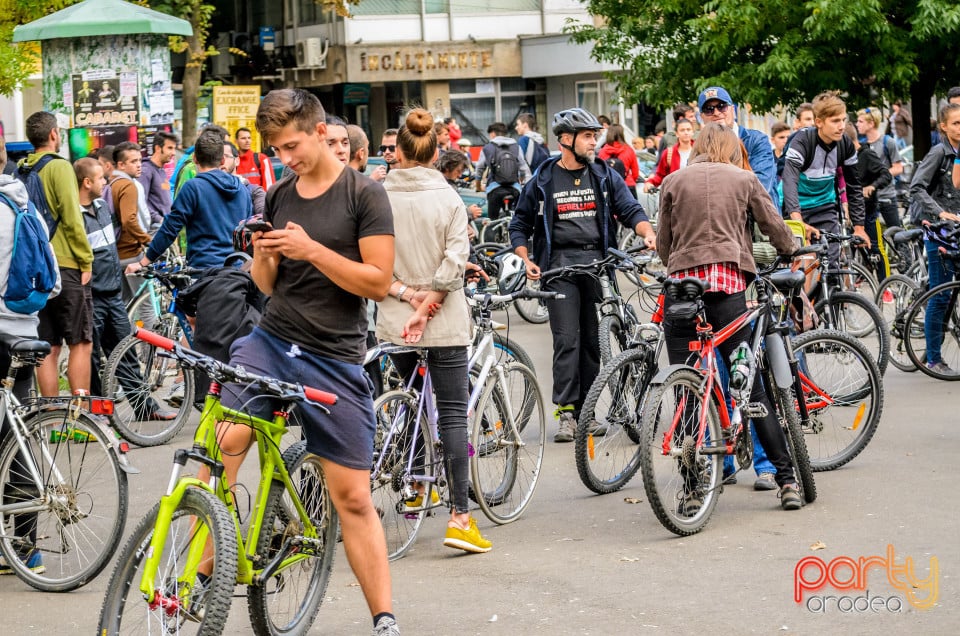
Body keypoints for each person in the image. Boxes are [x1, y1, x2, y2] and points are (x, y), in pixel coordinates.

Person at [208, 88, 398, 636]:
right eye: (276, 148)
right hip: (271, 340)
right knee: (221, 445)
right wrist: (262, 260)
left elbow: (379, 283)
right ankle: (204, 565)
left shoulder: (365, 196)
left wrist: (312, 248)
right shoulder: (279, 193)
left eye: (291, 145)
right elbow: (266, 285)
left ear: (320, 131)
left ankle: (384, 619)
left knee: (353, 498)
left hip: (334, 357)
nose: (284, 157)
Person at [656, 122, 804, 511]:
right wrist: (789, 250)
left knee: (687, 389)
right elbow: (773, 225)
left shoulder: (673, 180)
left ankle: (691, 490)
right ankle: (786, 479)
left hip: (681, 293)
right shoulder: (743, 179)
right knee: (752, 387)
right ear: (730, 148)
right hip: (727, 291)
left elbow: (663, 244)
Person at [378, 108, 491, 553]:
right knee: (452, 413)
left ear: (399, 151)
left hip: (394, 317)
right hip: (443, 320)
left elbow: (374, 264)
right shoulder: (449, 199)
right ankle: (460, 518)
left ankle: (413, 486)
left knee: (406, 403)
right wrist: (430, 304)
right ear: (434, 153)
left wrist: (408, 298)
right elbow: (453, 264)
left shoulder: (377, 197)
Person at [509, 107, 656, 443]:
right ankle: (566, 413)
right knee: (566, 341)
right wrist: (526, 258)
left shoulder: (603, 174)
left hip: (598, 266)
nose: (594, 143)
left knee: (592, 343)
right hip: (559, 268)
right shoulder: (543, 179)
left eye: (594, 136)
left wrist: (646, 232)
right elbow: (520, 225)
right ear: (565, 140)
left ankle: (586, 412)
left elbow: (630, 208)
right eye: (588, 136)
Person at [75, 157, 174, 420]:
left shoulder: (101, 207)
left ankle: (144, 408)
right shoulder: (75, 216)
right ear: (87, 182)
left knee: (125, 350)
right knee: (93, 358)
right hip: (91, 296)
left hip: (113, 292)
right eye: (100, 179)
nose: (105, 182)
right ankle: (97, 414)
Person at [0, 172, 60, 574]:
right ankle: (25, 549)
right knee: (16, 439)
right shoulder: (25, 205)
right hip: (26, 333)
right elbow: (52, 283)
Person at [19, 111, 94, 396]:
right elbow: (73, 218)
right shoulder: (60, 167)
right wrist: (86, 260)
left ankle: (49, 415)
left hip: (36, 268)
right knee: (81, 342)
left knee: (48, 345)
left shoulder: (22, 168)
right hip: (65, 264)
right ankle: (78, 417)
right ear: (53, 134)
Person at [127, 129, 252, 272]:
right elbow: (247, 231)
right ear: (222, 160)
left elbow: (170, 228)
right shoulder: (242, 189)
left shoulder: (193, 188)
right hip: (236, 271)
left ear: (195, 159)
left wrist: (144, 262)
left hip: (203, 270)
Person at [781, 92, 870, 261]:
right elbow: (789, 182)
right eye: (835, 121)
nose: (842, 126)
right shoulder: (802, 142)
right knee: (803, 264)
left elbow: (854, 186)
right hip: (797, 207)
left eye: (844, 120)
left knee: (832, 262)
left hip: (825, 206)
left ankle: (833, 287)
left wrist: (859, 227)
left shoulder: (845, 144)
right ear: (819, 122)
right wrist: (798, 223)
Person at [913, 103, 960, 375]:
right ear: (943, 126)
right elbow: (916, 187)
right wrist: (939, 212)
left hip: (958, 229)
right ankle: (933, 358)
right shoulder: (938, 153)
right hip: (940, 231)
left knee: (951, 292)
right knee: (940, 295)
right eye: (955, 123)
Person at [698, 86, 780, 207]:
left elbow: (760, 188)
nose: (716, 113)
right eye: (708, 109)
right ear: (702, 117)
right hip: (724, 221)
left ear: (732, 110)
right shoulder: (700, 148)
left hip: (759, 220)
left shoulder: (757, 140)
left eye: (722, 106)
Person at [844, 124, 893, 281]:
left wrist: (872, 186)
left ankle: (886, 285)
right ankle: (857, 279)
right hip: (851, 212)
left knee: (876, 248)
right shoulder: (845, 159)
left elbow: (886, 175)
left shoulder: (867, 155)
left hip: (869, 210)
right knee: (849, 248)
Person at [856, 107, 903, 231]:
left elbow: (898, 168)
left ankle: (904, 250)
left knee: (896, 234)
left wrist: (880, 178)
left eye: (860, 121)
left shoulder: (888, 142)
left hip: (886, 196)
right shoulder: (861, 145)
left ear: (871, 123)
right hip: (868, 200)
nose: (857, 124)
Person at [475, 122, 531, 220]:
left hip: (494, 189)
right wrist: (522, 182)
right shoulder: (516, 147)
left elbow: (479, 168)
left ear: (492, 134)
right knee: (517, 220)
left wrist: (478, 186)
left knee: (493, 221)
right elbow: (524, 169)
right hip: (515, 190)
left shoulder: (488, 148)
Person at [643, 118, 694, 192]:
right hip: (676, 196)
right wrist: (650, 182)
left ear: (692, 132)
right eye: (682, 130)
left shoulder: (700, 151)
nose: (686, 132)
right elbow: (660, 175)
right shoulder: (669, 153)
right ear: (676, 133)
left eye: (688, 129)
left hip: (697, 195)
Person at [139, 131, 177, 225]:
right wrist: (159, 219)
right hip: (154, 229)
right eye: (170, 148)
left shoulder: (161, 170)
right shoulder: (146, 170)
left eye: (174, 148)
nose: (174, 153)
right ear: (158, 148)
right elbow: (140, 202)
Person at [223, 141, 265, 216]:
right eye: (215, 158)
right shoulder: (205, 190)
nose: (221, 161)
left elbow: (264, 215)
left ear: (237, 161)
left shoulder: (254, 191)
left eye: (225, 156)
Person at [598, 124, 641, 198]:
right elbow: (635, 173)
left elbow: (599, 170)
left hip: (609, 187)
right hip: (627, 185)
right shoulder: (629, 150)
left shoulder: (603, 151)